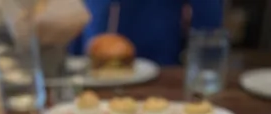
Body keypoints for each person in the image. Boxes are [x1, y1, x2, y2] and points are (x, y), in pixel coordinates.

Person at [69, 0, 224, 65]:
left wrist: (201, 67)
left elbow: (208, 27)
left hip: (160, 74)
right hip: (91, 73)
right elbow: (72, 16)